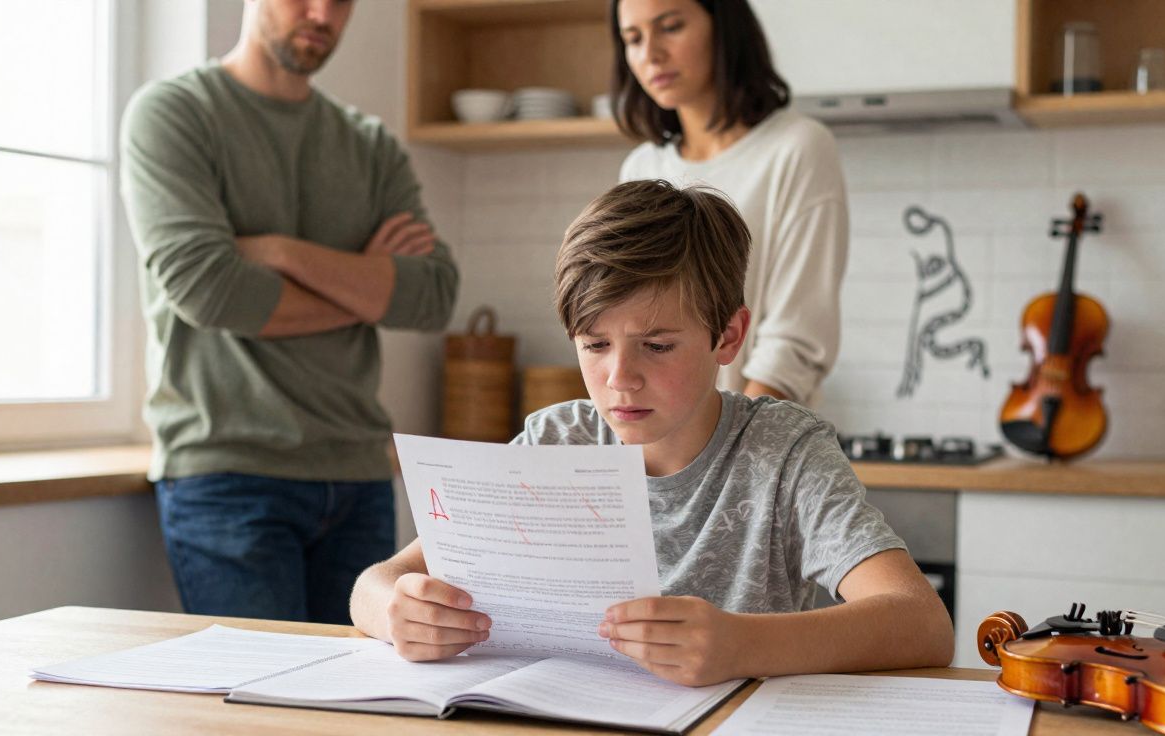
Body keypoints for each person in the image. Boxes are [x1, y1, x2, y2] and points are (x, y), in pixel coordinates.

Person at [350, 180, 953, 687]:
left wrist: (742, 645)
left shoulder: (785, 452)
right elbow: (373, 586)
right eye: (595, 345)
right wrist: (394, 612)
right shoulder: (554, 443)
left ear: (728, 338)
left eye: (657, 346)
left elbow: (922, 624)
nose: (621, 380)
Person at [119, 0, 458, 624]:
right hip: (227, 472)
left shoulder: (370, 144)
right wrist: (362, 281)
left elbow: (432, 294)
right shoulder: (174, 113)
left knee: (362, 716)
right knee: (257, 713)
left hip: (359, 473)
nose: (322, 13)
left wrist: (277, 250)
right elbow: (211, 291)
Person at [612, 0, 848, 405]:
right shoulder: (641, 167)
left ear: (724, 27)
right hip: (659, 449)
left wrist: (733, 447)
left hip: (759, 443)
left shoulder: (797, 149)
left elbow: (796, 338)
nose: (651, 54)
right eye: (633, 38)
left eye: (670, 27)